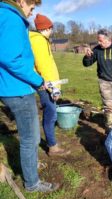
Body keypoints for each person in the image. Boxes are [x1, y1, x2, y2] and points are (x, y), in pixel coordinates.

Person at [0, 0, 58, 192]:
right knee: (30, 137)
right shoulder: (11, 18)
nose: (32, 13)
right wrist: (38, 80)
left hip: (12, 87)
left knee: (30, 136)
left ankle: (31, 166)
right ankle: (32, 183)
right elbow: (11, 58)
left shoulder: (5, 15)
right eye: (32, 8)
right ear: (21, 1)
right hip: (17, 89)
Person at [29, 13, 69, 156]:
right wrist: (53, 89)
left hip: (46, 82)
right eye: (51, 28)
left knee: (50, 112)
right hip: (45, 84)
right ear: (47, 28)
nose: (52, 30)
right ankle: (52, 146)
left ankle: (52, 143)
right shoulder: (39, 41)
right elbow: (44, 66)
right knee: (51, 113)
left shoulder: (39, 40)